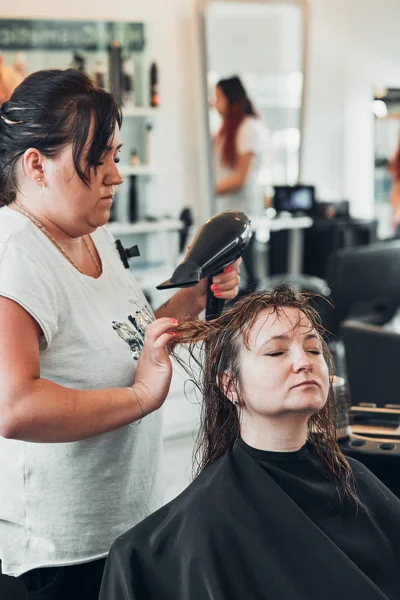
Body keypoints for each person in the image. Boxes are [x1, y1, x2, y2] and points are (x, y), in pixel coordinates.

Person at [0, 68, 241, 600]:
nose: (116, 175)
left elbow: (132, 339)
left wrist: (192, 297)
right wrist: (138, 398)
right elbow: (14, 407)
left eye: (115, 154)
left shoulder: (94, 236)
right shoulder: (15, 253)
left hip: (125, 531)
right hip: (57, 560)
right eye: (97, 159)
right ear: (37, 164)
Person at [99, 286, 400, 600]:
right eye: (276, 352)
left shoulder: (356, 481)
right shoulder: (199, 527)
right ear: (231, 386)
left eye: (313, 349)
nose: (304, 362)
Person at [213, 75, 268, 292]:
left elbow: (240, 179)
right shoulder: (228, 129)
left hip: (244, 215)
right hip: (230, 214)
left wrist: (207, 190)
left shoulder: (248, 128)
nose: (214, 103)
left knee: (246, 279)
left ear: (231, 98)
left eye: (217, 97)